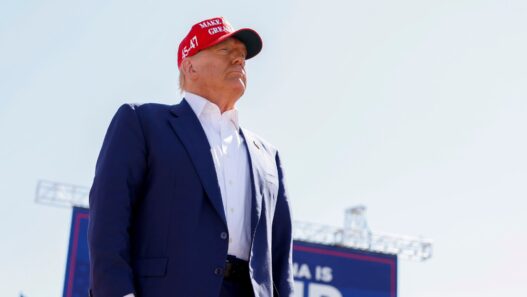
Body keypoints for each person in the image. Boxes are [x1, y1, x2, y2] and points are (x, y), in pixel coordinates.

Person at [87, 16, 294, 297]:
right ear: (189, 65)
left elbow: (280, 257)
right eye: (225, 51)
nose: (239, 61)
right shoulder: (143, 123)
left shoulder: (268, 156)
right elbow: (109, 219)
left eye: (242, 55)